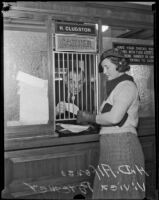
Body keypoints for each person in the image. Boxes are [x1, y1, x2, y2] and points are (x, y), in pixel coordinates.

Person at [77, 48, 146, 199]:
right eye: (103, 68)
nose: (105, 71)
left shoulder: (126, 86)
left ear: (120, 65)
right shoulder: (117, 87)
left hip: (122, 145)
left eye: (107, 67)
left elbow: (114, 118)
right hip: (113, 145)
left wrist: (90, 117)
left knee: (121, 192)